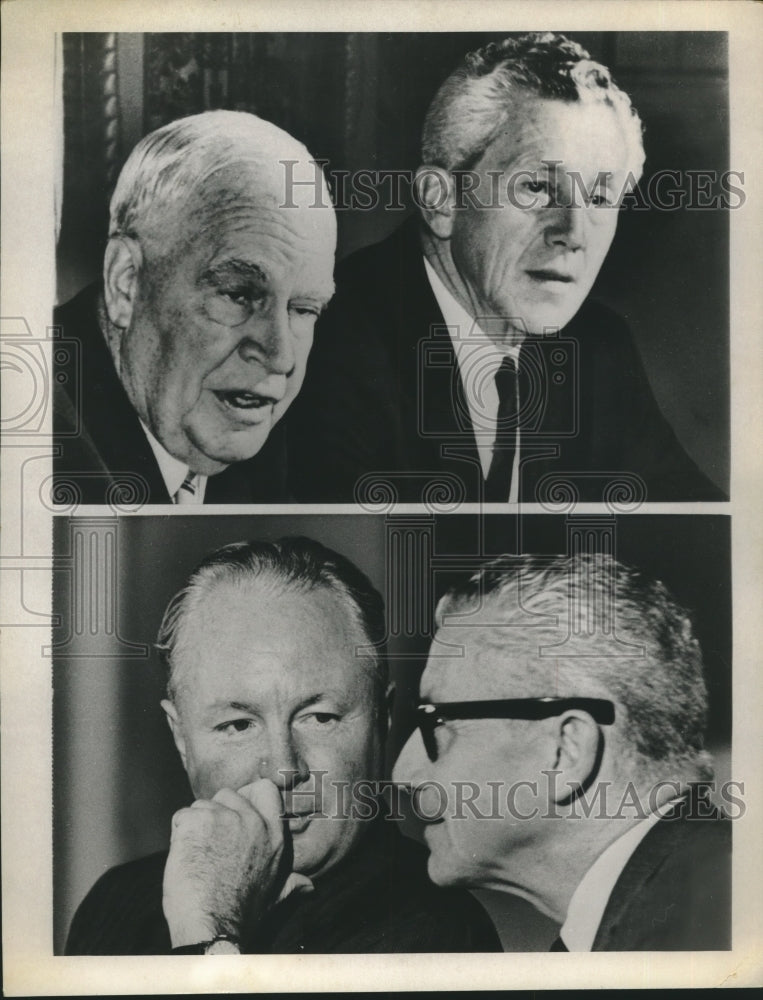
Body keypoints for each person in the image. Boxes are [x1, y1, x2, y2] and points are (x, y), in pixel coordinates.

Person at [290, 33, 725, 503]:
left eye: (600, 197)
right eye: (537, 187)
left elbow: (700, 527)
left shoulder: (600, 349)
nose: (573, 232)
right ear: (441, 202)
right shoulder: (328, 336)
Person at [66, 537, 501, 954]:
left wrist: (206, 930)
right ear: (182, 738)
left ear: (382, 719)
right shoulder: (115, 904)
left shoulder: (441, 931)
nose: (283, 769)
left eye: (320, 718)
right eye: (238, 725)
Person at [392, 552, 731, 951]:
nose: (404, 773)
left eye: (438, 723)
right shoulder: (683, 907)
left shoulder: (691, 936)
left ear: (566, 751)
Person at [54, 111, 336, 504]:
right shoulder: (39, 443)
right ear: (126, 281)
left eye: (303, 309)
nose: (281, 356)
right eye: (237, 294)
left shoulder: (255, 439)